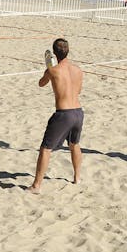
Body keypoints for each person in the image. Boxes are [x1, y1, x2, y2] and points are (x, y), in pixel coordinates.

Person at [31, 38, 84, 193]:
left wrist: (48, 68)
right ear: (68, 51)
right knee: (74, 144)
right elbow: (78, 91)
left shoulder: (53, 70)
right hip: (78, 112)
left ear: (54, 53)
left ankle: (36, 186)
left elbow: (41, 83)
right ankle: (77, 178)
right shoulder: (78, 70)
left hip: (63, 114)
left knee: (46, 149)